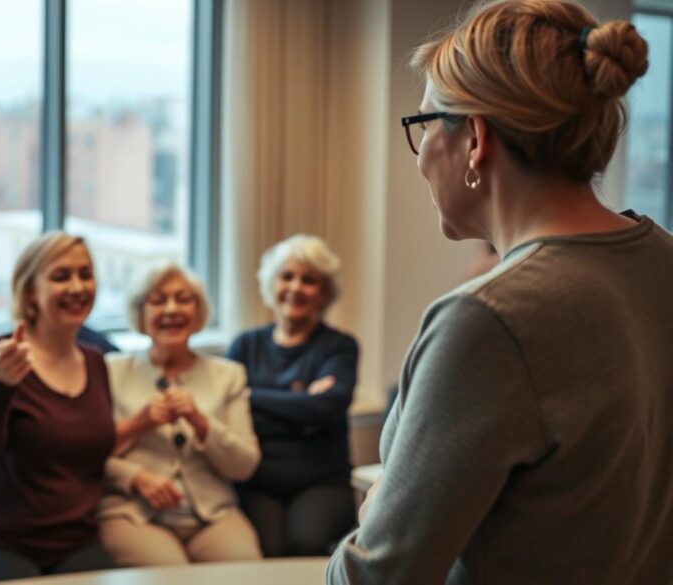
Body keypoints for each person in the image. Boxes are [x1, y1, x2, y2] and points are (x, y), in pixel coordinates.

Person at [328, 2, 671, 584]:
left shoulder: (487, 320)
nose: (421, 158)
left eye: (424, 126)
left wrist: (379, 501)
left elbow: (374, 579)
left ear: (475, 138)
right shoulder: (662, 261)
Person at [0, 232, 116, 584]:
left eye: (85, 274)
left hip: (75, 544)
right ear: (31, 291)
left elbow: (94, 451)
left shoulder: (97, 362)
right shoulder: (1, 356)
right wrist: (1, 385)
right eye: (61, 276)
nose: (77, 287)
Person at [99, 263, 262, 565]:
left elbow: (244, 465)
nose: (171, 309)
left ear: (198, 313)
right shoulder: (112, 371)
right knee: (170, 574)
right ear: (140, 314)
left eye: (183, 299)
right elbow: (88, 455)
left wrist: (201, 422)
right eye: (158, 301)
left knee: (246, 567)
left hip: (212, 514)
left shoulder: (228, 375)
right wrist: (136, 471)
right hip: (133, 514)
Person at [227, 234, 359, 557]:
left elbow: (326, 408)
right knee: (267, 551)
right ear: (272, 284)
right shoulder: (245, 345)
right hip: (257, 483)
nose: (296, 287)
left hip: (322, 482)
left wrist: (250, 396)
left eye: (309, 280)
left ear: (324, 292)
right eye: (287, 276)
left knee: (306, 545)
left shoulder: (340, 347)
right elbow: (227, 410)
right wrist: (301, 408)